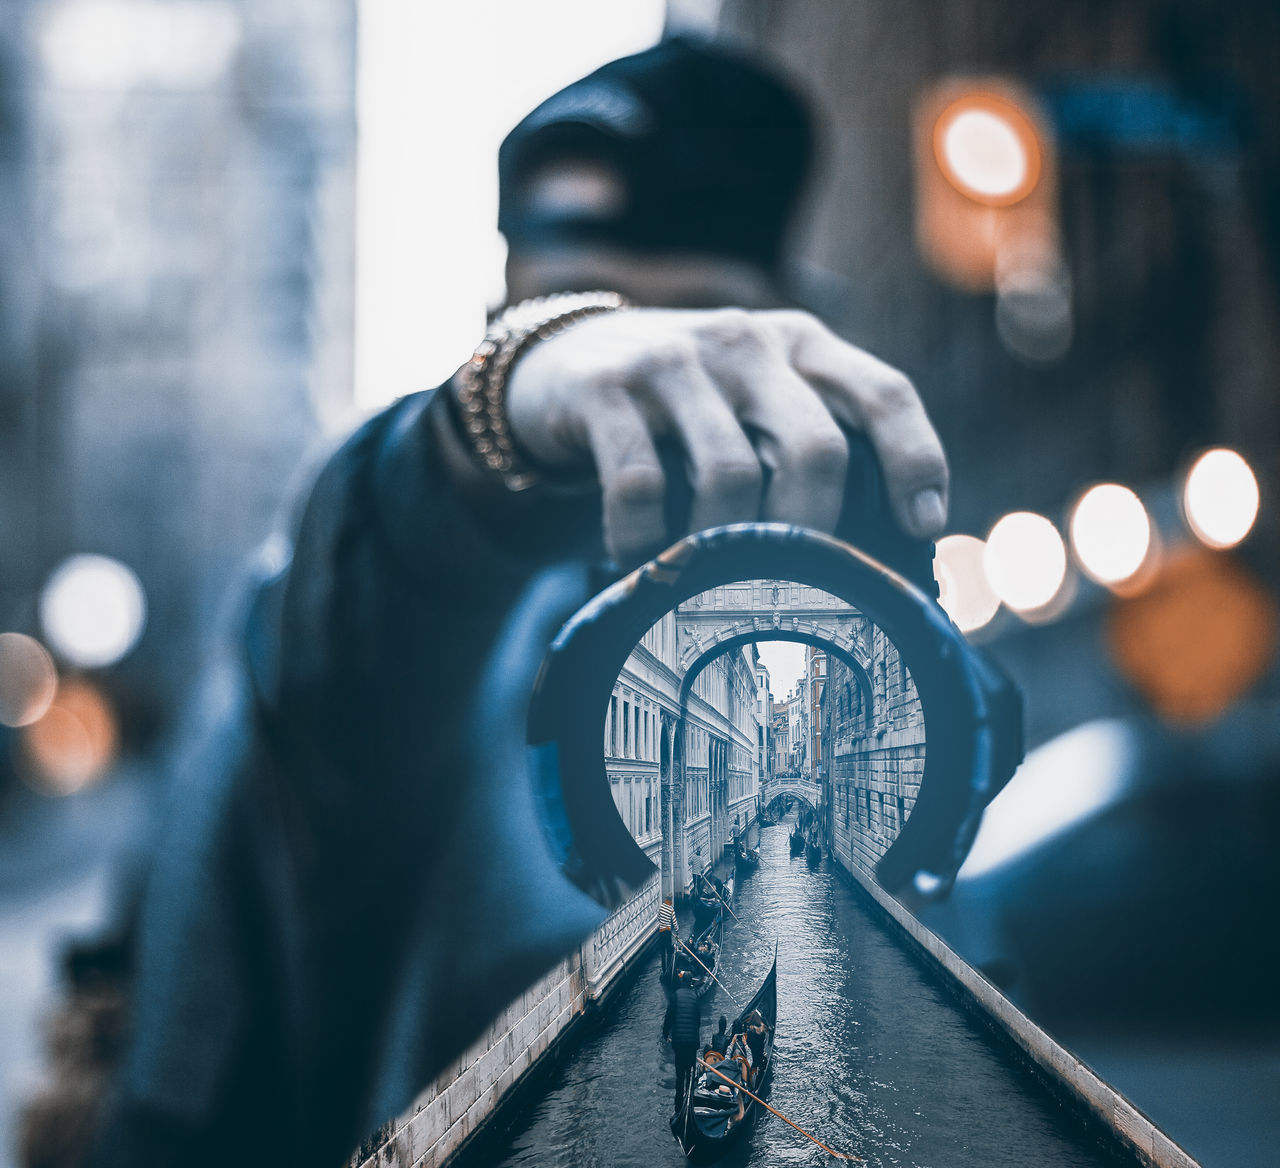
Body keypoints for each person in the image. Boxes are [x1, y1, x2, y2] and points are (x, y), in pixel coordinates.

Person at [73, 36, 948, 1168]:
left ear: (787, 328)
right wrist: (491, 418)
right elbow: (369, 590)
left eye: (689, 348)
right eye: (578, 347)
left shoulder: (854, 662)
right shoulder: (400, 634)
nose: (621, 421)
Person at [669, 971, 702, 1107]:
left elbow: (668, 1018)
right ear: (691, 983)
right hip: (692, 1043)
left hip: (678, 1042)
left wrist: (666, 1035)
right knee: (690, 1073)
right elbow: (698, 1021)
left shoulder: (675, 996)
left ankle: (678, 1106)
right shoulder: (695, 996)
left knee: (680, 1075)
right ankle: (689, 1102)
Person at [658, 896, 678, 980]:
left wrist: (663, 923)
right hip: (667, 933)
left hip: (661, 932)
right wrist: (677, 931)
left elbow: (658, 917)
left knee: (662, 953)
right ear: (670, 901)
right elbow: (675, 922)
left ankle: (664, 971)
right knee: (669, 952)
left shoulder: (661, 907)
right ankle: (669, 971)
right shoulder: (671, 909)